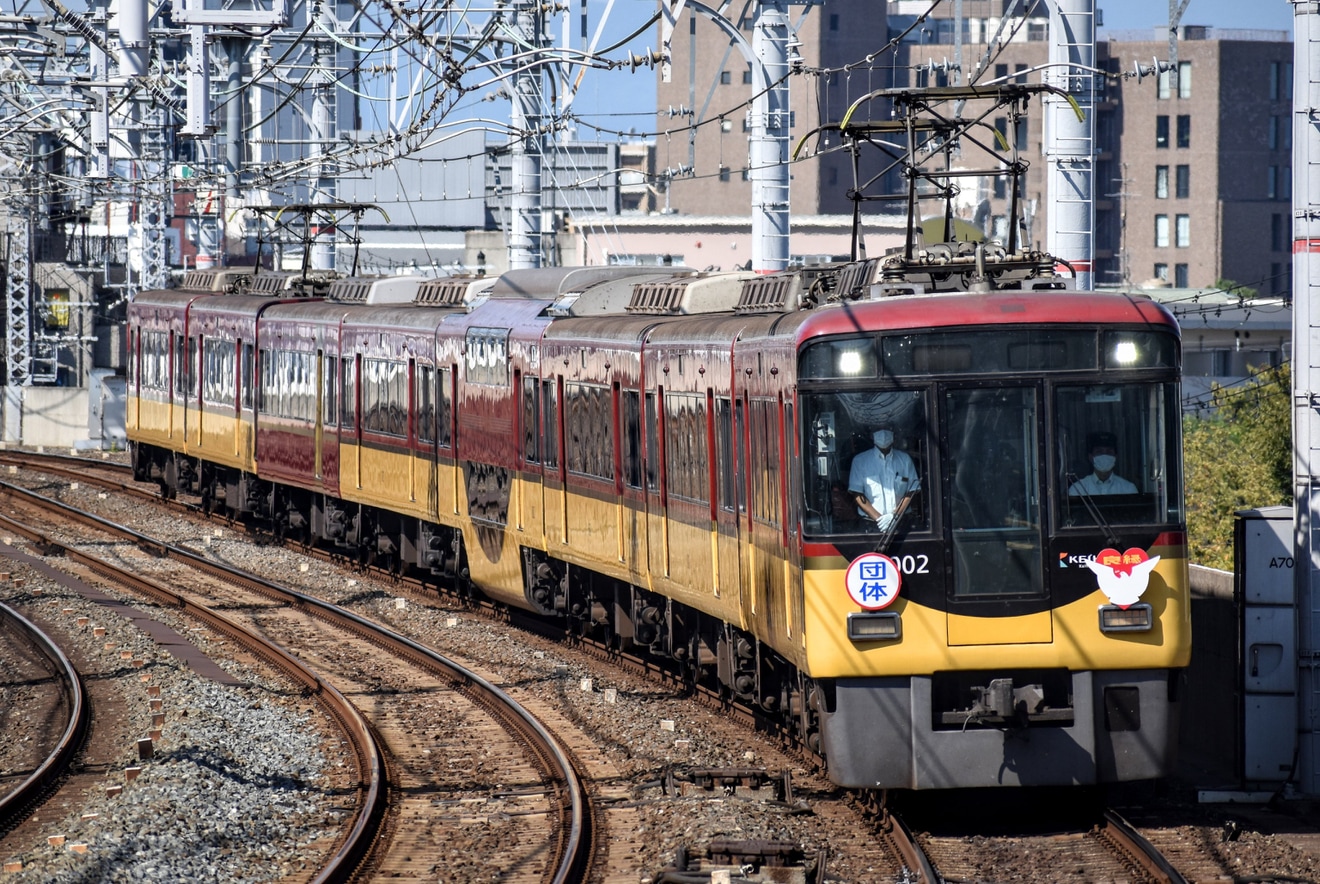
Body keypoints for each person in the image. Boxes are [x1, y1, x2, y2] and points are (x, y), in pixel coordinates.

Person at [848, 425, 920, 531]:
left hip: (901, 523)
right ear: (871, 435)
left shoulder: (904, 460)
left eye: (887, 428)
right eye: (878, 429)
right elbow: (857, 494)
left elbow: (912, 492)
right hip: (871, 526)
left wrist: (894, 516)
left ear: (894, 434)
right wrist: (879, 519)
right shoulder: (860, 461)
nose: (883, 433)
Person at [1069, 432, 1137, 496]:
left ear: (1115, 457)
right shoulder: (1078, 489)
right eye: (1099, 452)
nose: (1104, 455)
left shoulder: (1128, 489)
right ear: (1090, 457)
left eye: (1109, 452)